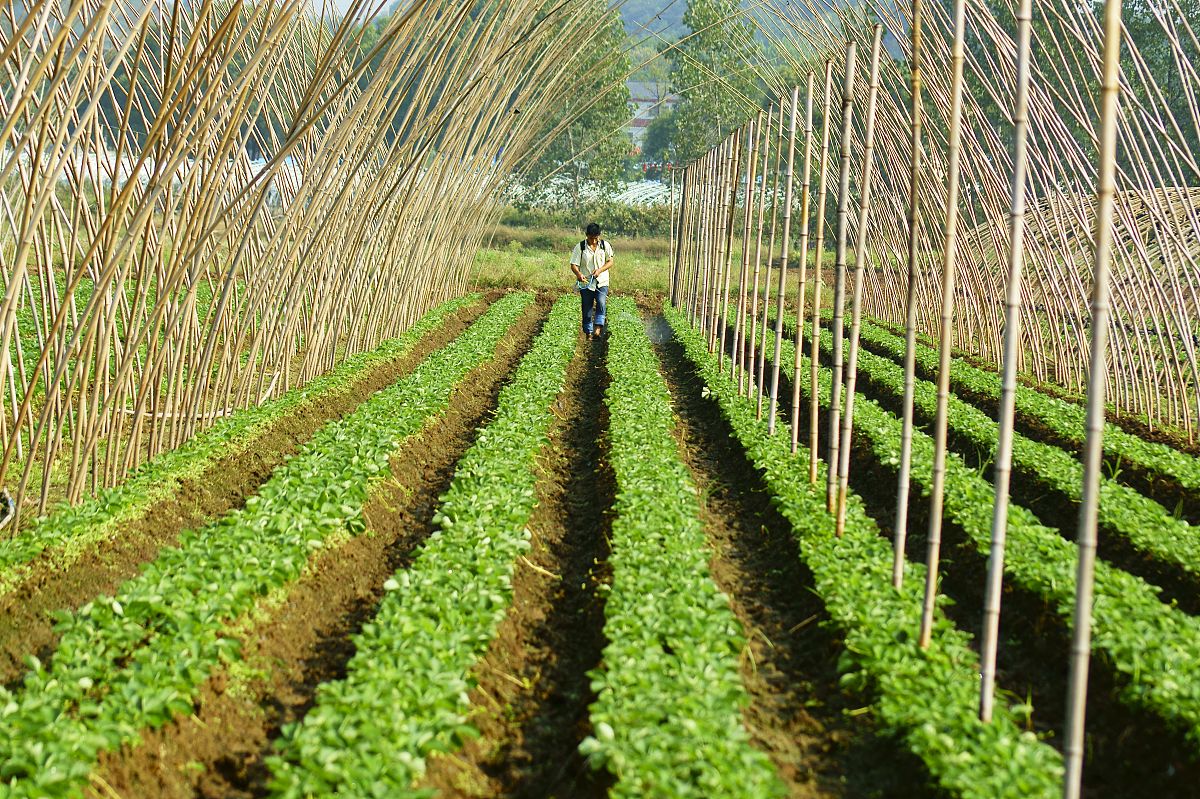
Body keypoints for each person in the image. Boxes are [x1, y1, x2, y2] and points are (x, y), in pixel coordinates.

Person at [569, 222, 613, 339]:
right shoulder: (580, 247)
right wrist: (579, 274)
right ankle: (588, 332)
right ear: (586, 235)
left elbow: (610, 261)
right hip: (586, 283)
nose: (594, 241)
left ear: (599, 236)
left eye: (596, 238)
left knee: (601, 302)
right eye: (591, 238)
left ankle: (598, 329)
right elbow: (573, 264)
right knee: (587, 307)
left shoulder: (605, 245)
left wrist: (600, 270)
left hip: (602, 281)